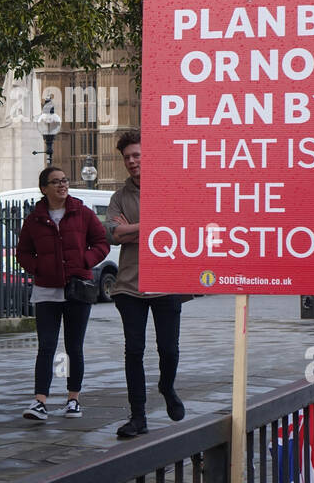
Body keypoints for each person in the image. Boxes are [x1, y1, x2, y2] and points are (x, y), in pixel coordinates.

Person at [105, 131, 187, 438]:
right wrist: (151, 226)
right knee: (133, 351)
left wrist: (132, 229)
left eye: (137, 155)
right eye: (127, 157)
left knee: (168, 348)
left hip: (167, 281)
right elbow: (113, 234)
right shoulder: (118, 197)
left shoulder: (170, 189)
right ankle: (138, 416)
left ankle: (167, 386)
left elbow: (179, 227)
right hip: (129, 286)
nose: (131, 161)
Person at [15, 166, 109, 421]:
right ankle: (40, 401)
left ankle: (73, 399)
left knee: (73, 347)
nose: (62, 185)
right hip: (46, 291)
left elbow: (101, 243)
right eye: (55, 182)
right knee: (46, 347)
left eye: (64, 180)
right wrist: (39, 268)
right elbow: (22, 252)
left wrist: (85, 261)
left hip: (77, 289)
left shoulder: (82, 213)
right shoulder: (34, 219)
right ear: (44, 188)